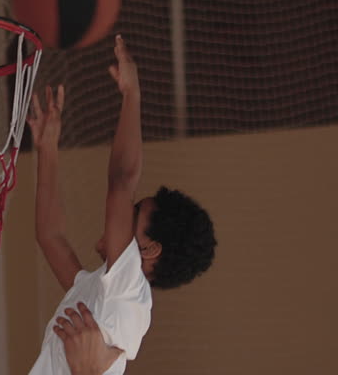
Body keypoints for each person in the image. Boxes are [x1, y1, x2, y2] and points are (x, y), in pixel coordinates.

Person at [27, 35, 217, 374]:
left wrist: (132, 94)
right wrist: (48, 148)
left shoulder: (129, 288)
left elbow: (120, 183)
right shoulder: (108, 292)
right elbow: (50, 235)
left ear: (150, 249)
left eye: (133, 213)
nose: (120, 213)